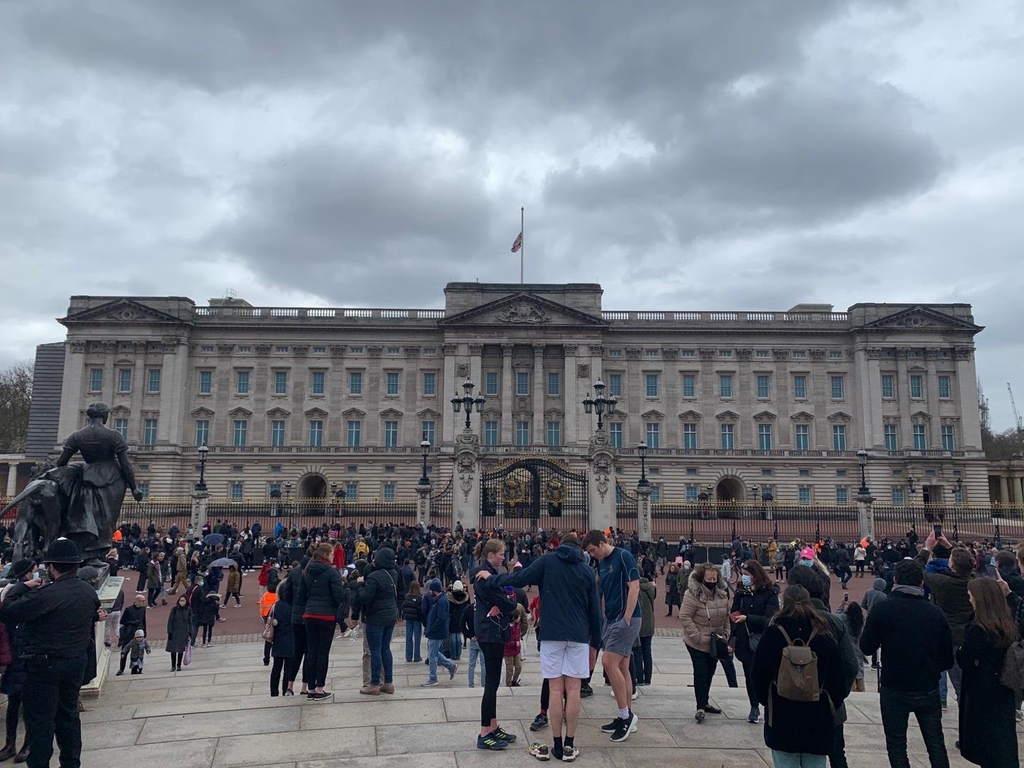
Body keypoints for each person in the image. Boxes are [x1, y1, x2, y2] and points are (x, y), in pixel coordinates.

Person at [480, 533, 602, 761]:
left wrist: (490, 579)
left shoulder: (547, 561)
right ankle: (569, 745)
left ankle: (556, 743)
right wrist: (595, 644)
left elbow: (518, 579)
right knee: (574, 689)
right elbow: (596, 613)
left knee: (555, 689)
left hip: (552, 633)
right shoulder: (586, 570)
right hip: (578, 635)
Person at [0, 538, 101, 768]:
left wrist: (21, 586)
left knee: (40, 723)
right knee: (68, 718)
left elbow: (7, 612)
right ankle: (71, 763)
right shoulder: (88, 592)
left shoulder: (45, 595)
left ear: (52, 567)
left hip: (43, 666)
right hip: (76, 662)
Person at [860, 559, 953, 768]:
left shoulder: (883, 609)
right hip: (927, 686)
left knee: (896, 744)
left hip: (894, 685)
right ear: (921, 583)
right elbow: (947, 658)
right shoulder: (935, 613)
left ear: (894, 580)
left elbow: (866, 647)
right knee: (936, 744)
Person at [751, 585, 850, 768]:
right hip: (817, 715)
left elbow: (758, 675)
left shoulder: (773, 633)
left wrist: (770, 700)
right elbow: (839, 680)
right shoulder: (823, 634)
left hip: (782, 714)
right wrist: (828, 702)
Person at [582, 530, 642, 743]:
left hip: (626, 619)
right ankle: (625, 715)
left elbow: (634, 587)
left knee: (608, 662)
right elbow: (605, 592)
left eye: (592, 550)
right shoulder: (602, 563)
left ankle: (626, 715)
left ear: (600, 543)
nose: (592, 555)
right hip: (612, 619)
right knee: (623, 667)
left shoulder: (623, 556)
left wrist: (626, 618)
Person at [957, 578, 1018, 767]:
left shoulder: (978, 628)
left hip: (981, 691)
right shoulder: (1007, 623)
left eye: (971, 595)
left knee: (985, 745)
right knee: (1001, 742)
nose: (969, 599)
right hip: (1003, 690)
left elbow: (964, 659)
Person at [915, 532, 973, 708]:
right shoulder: (973, 581)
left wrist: (926, 549)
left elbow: (917, 571)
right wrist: (951, 548)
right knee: (966, 685)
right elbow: (971, 567)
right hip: (969, 636)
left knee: (959, 685)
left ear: (952, 565)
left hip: (948, 636)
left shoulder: (943, 583)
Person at [680, 562, 731, 723]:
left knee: (710, 671)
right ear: (702, 579)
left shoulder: (722, 594)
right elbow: (685, 616)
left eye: (714, 578)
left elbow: (726, 616)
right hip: (697, 641)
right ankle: (700, 706)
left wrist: (726, 634)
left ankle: (705, 701)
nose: (712, 581)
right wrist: (697, 636)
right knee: (700, 672)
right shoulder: (692, 594)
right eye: (709, 578)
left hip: (716, 641)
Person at [730, 559, 780, 724]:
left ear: (755, 575)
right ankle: (754, 705)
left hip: (763, 640)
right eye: (742, 574)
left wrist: (748, 618)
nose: (743, 578)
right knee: (749, 675)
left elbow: (770, 618)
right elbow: (734, 612)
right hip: (745, 640)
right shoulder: (741, 592)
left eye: (747, 575)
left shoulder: (769, 593)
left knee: (766, 675)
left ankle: (769, 704)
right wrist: (732, 635)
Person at [298, 542, 346, 700]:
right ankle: (319, 687)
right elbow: (338, 596)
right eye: (332, 554)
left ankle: (310, 687)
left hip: (310, 614)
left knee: (311, 651)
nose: (333, 557)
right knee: (322, 653)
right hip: (326, 616)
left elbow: (300, 595)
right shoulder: (332, 573)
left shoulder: (307, 571)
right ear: (326, 555)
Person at [356, 546, 404, 695]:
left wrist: (359, 585)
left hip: (375, 616)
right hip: (390, 614)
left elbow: (366, 597)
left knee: (374, 650)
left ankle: (374, 683)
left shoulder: (375, 576)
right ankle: (388, 682)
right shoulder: (394, 573)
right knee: (385, 648)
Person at [0, 560, 34, 762]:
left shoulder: (37, 593)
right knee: (14, 704)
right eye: (32, 571)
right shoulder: (13, 592)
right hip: (15, 655)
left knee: (28, 705)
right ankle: (10, 744)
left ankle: (27, 744)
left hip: (28, 655)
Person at [421, 579, 458, 687]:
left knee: (432, 655)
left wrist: (431, 629)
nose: (429, 592)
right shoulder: (440, 600)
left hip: (436, 632)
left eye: (431, 590)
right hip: (436, 632)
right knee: (434, 652)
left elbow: (441, 619)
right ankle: (451, 666)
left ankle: (433, 678)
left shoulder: (441, 601)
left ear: (434, 590)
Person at [268, 588, 295, 697]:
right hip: (291, 639)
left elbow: (268, 620)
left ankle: (274, 692)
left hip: (278, 639)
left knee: (276, 669)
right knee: (288, 670)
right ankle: (286, 691)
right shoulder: (293, 605)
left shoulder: (275, 605)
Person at [633, 572, 656, 687]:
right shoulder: (650, 587)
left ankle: (640, 679)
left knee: (637, 652)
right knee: (647, 652)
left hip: (637, 625)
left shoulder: (634, 588)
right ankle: (648, 678)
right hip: (649, 624)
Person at [116, 594, 148, 675]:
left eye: (144, 601)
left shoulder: (143, 609)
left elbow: (143, 620)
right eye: (142, 601)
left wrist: (145, 631)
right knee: (124, 651)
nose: (144, 602)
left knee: (138, 651)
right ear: (137, 601)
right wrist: (132, 622)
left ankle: (137, 668)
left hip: (139, 632)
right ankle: (121, 668)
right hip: (129, 633)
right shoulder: (128, 609)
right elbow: (122, 621)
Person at [165, 595, 192, 672]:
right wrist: (169, 631)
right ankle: (173, 665)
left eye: (183, 601)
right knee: (173, 649)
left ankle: (179, 665)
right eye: (181, 600)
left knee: (181, 649)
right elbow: (170, 621)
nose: (182, 602)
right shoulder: (174, 609)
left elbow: (190, 622)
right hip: (174, 631)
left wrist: (190, 632)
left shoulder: (188, 610)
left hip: (183, 632)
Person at [401, 581, 424, 663]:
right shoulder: (419, 598)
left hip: (408, 618)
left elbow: (404, 607)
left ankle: (408, 656)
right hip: (417, 619)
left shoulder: (407, 597)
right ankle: (417, 656)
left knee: (408, 637)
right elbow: (421, 610)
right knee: (417, 637)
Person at [503, 605, 525, 687]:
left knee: (518, 666)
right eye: (518, 617)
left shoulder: (517, 625)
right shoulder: (507, 627)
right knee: (509, 669)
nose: (520, 618)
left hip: (516, 650)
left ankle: (514, 681)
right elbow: (505, 641)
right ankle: (508, 683)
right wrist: (514, 643)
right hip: (508, 651)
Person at [258, 582, 278, 666]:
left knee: (268, 639)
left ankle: (266, 659)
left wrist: (263, 615)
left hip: (266, 617)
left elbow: (261, 606)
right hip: (276, 617)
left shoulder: (265, 595)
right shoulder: (278, 596)